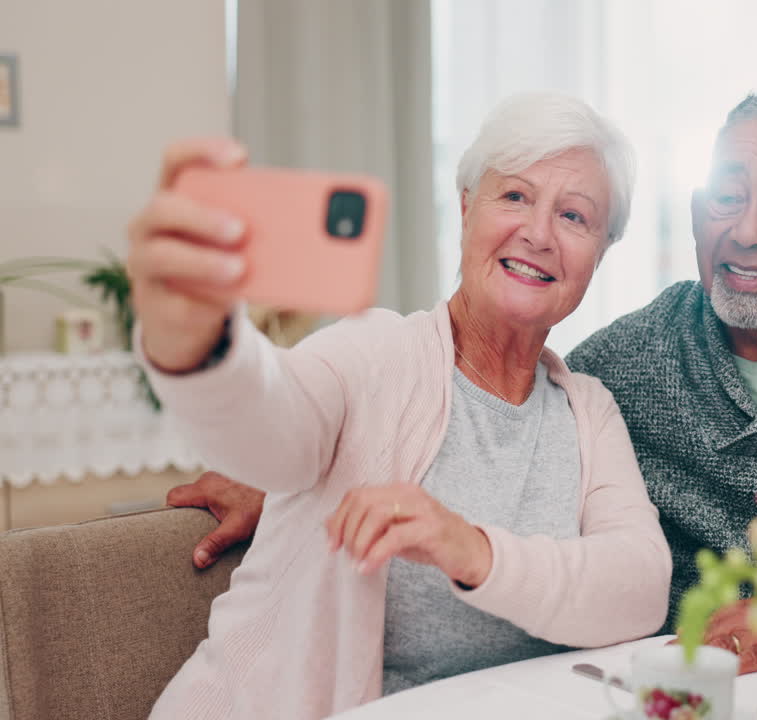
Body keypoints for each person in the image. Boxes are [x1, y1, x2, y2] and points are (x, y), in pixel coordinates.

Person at [169, 90, 757, 674]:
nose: (746, 232)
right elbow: (324, 415)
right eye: (725, 197)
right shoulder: (623, 366)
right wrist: (283, 482)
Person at [130, 93, 671, 719]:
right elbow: (272, 426)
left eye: (575, 217)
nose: (540, 233)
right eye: (515, 196)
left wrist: (471, 549)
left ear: (600, 255)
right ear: (467, 208)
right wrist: (198, 345)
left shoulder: (588, 412)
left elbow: (639, 588)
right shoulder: (374, 352)